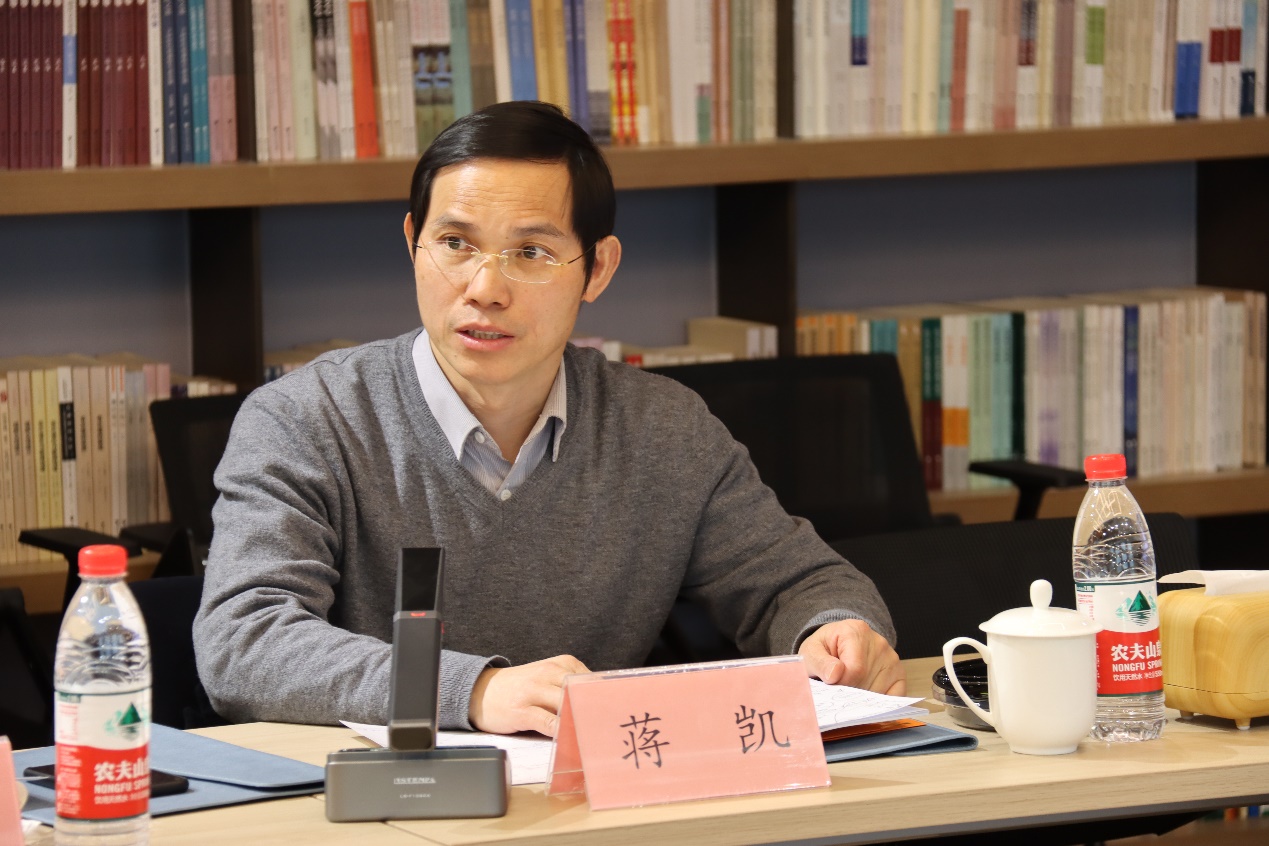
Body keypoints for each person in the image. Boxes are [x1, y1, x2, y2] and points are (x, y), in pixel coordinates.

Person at [194, 101, 904, 738]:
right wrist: (474, 691)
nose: (484, 288)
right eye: (455, 244)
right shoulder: (306, 420)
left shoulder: (663, 430)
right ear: (413, 242)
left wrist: (836, 630)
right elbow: (243, 643)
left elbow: (797, 582)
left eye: (530, 253)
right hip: (382, 803)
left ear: (598, 269)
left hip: (597, 802)